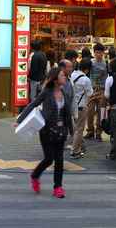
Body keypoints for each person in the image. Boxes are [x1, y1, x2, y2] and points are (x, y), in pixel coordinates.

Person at [16, 67, 73, 199]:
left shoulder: (64, 93)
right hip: (47, 131)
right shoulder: (47, 92)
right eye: (62, 75)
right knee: (49, 159)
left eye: (65, 75)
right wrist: (20, 120)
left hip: (60, 131)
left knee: (59, 160)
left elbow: (67, 114)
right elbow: (33, 104)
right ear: (55, 79)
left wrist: (71, 131)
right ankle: (35, 175)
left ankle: (58, 187)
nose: (65, 77)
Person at [69, 59, 93, 159]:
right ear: (87, 69)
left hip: (71, 106)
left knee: (76, 128)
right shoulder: (86, 79)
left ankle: (81, 146)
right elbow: (90, 94)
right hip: (81, 107)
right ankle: (75, 151)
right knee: (79, 129)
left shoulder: (72, 75)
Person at [85, 43, 108, 141]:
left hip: (102, 90)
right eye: (96, 52)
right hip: (91, 89)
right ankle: (90, 131)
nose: (98, 54)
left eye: (100, 52)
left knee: (100, 112)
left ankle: (99, 132)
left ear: (103, 53)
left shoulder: (106, 63)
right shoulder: (90, 62)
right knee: (89, 111)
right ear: (93, 53)